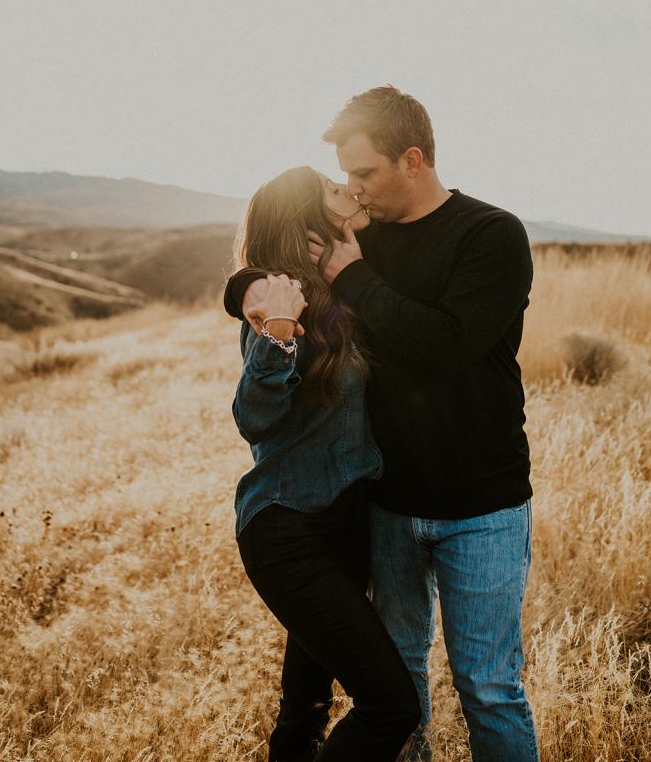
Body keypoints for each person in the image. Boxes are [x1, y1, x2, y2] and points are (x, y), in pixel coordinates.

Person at [226, 87, 540, 762]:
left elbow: (447, 343)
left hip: (479, 505)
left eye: (363, 175)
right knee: (400, 692)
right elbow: (282, 249)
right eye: (343, 179)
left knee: (488, 688)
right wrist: (250, 287)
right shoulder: (348, 252)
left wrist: (354, 276)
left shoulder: (488, 235)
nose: (354, 190)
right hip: (383, 510)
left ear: (413, 160)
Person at [228, 164, 421, 762]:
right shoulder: (279, 307)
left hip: (346, 527)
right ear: (307, 222)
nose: (351, 189)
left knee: (307, 704)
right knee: (392, 706)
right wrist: (276, 321)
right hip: (288, 530)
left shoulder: (345, 290)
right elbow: (254, 419)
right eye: (334, 190)